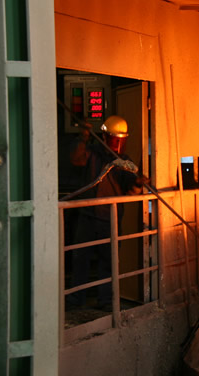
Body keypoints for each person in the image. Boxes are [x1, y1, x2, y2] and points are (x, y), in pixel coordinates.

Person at [67, 115, 146, 311]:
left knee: (108, 262)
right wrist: (83, 136)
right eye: (113, 139)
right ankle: (76, 299)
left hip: (110, 219)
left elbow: (131, 190)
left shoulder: (124, 162)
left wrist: (138, 183)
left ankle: (106, 301)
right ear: (104, 137)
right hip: (87, 216)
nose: (117, 144)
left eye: (120, 140)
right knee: (80, 259)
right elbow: (76, 159)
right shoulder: (92, 154)